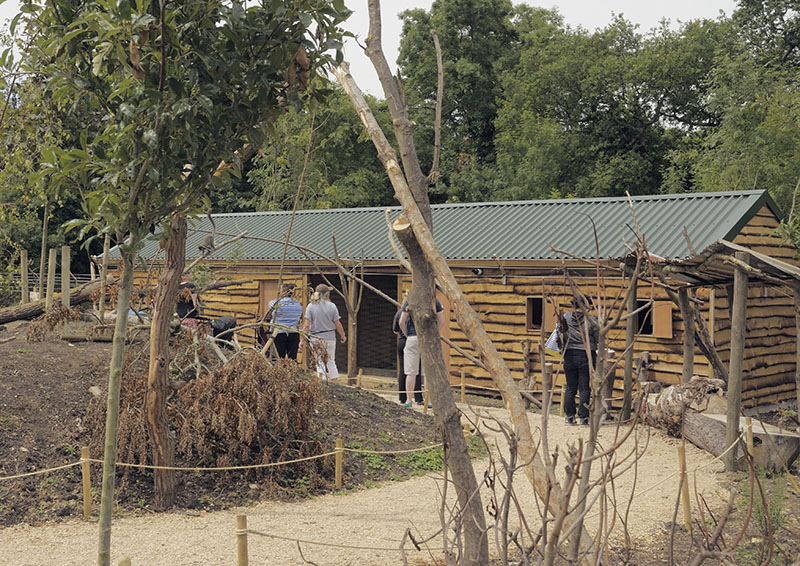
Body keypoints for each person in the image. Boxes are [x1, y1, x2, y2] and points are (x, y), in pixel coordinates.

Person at [558, 295, 599, 426]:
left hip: (569, 355)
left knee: (570, 386)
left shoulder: (565, 318)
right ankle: (584, 418)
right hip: (585, 355)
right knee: (584, 388)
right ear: (586, 305)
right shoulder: (591, 320)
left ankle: (569, 416)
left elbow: (559, 333)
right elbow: (598, 338)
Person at [398, 295, 444, 408]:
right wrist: (434, 334)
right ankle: (428, 401)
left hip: (412, 338)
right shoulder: (434, 301)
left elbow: (401, 322)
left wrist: (407, 335)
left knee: (410, 372)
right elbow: (441, 321)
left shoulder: (410, 300)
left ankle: (409, 400)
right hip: (427, 338)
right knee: (427, 372)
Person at [301, 283, 346, 381]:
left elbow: (306, 325)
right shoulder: (332, 306)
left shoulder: (310, 306)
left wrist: (302, 340)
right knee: (331, 361)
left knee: (319, 361)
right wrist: (342, 335)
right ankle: (335, 383)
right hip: (330, 337)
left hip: (316, 338)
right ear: (326, 294)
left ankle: (322, 382)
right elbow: (337, 323)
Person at [259, 283, 303, 359]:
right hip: (293, 333)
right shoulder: (297, 304)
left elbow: (269, 316)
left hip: (278, 333)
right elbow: (299, 318)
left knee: (278, 358)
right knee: (292, 358)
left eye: (280, 290)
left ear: (284, 291)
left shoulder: (274, 303)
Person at [393, 304, 423, 404]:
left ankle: (403, 397)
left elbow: (395, 330)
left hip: (402, 341)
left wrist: (404, 334)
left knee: (403, 370)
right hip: (412, 339)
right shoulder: (417, 311)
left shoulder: (398, 313)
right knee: (416, 371)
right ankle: (418, 398)